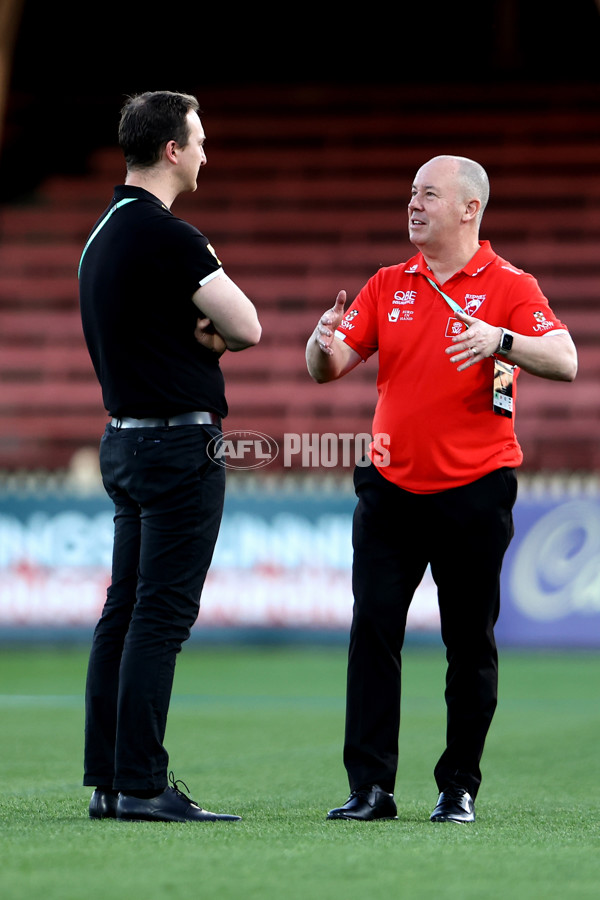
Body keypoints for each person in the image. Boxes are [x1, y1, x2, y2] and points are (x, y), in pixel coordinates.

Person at [306, 155, 577, 824]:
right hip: (390, 490)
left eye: (428, 193)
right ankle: (370, 788)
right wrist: (318, 345)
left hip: (475, 493)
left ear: (468, 209)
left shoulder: (510, 285)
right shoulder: (388, 283)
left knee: (469, 643)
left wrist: (502, 340)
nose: (414, 203)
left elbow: (566, 359)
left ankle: (458, 786)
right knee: (373, 630)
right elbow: (331, 365)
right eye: (410, 193)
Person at [79, 91, 261, 823]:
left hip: (121, 438)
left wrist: (197, 334)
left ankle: (109, 781)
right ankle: (145, 783)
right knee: (159, 616)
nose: (207, 152)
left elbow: (144, 329)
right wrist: (212, 334)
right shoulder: (171, 236)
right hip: (178, 442)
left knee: (122, 610)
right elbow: (246, 325)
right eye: (200, 138)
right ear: (173, 151)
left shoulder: (102, 236)